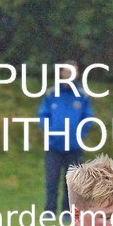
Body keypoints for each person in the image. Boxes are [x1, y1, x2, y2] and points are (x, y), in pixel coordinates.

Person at [38, 60, 93, 217]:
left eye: (72, 72)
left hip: (74, 146)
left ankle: (68, 212)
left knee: (72, 182)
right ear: (61, 73)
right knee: (52, 179)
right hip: (54, 145)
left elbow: (87, 117)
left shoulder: (82, 95)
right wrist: (49, 132)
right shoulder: (51, 93)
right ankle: (49, 211)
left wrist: (79, 135)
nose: (68, 75)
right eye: (66, 71)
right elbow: (43, 115)